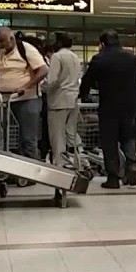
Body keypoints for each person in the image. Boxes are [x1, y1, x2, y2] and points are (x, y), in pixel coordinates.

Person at [79, 30, 136, 189]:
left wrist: (83, 94)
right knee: (127, 136)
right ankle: (131, 165)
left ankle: (113, 177)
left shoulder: (99, 59)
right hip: (129, 105)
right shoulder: (131, 57)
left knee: (110, 141)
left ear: (102, 43)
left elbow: (87, 81)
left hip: (109, 106)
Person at [0, 27, 48, 164]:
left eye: (2, 41)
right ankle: (13, 168)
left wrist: (26, 86)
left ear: (11, 39)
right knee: (9, 139)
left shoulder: (26, 49)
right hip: (7, 101)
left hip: (27, 100)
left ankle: (32, 169)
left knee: (27, 139)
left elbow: (44, 70)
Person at [42, 33, 82, 174]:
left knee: (57, 136)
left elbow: (52, 80)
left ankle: (60, 166)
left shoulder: (57, 57)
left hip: (59, 100)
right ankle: (81, 161)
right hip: (73, 99)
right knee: (72, 134)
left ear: (59, 43)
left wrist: (41, 87)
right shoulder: (75, 57)